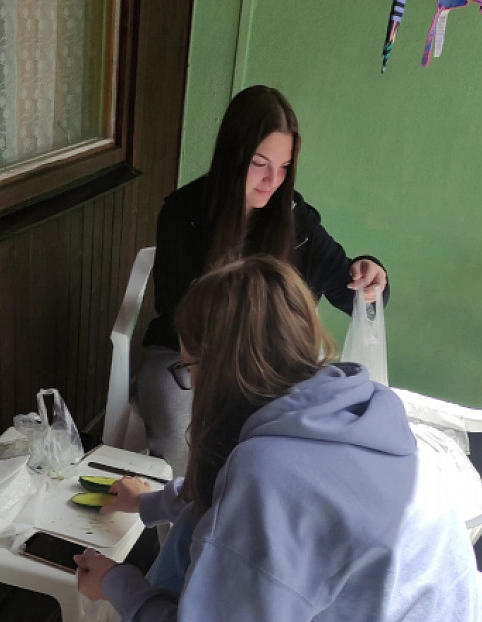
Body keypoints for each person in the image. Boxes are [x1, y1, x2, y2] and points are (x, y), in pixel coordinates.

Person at [77, 257, 482, 622]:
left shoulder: (269, 474)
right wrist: (153, 501)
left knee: (183, 594)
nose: (191, 385)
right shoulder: (358, 406)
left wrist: (120, 586)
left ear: (218, 370)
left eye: (188, 369)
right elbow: (265, 504)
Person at [137, 84, 389, 476]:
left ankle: (248, 511)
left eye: (284, 166)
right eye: (260, 163)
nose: (273, 180)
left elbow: (350, 289)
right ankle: (187, 513)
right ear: (232, 156)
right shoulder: (184, 213)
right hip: (187, 359)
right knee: (182, 437)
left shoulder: (296, 220)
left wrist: (370, 273)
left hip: (269, 367)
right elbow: (177, 310)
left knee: (289, 448)